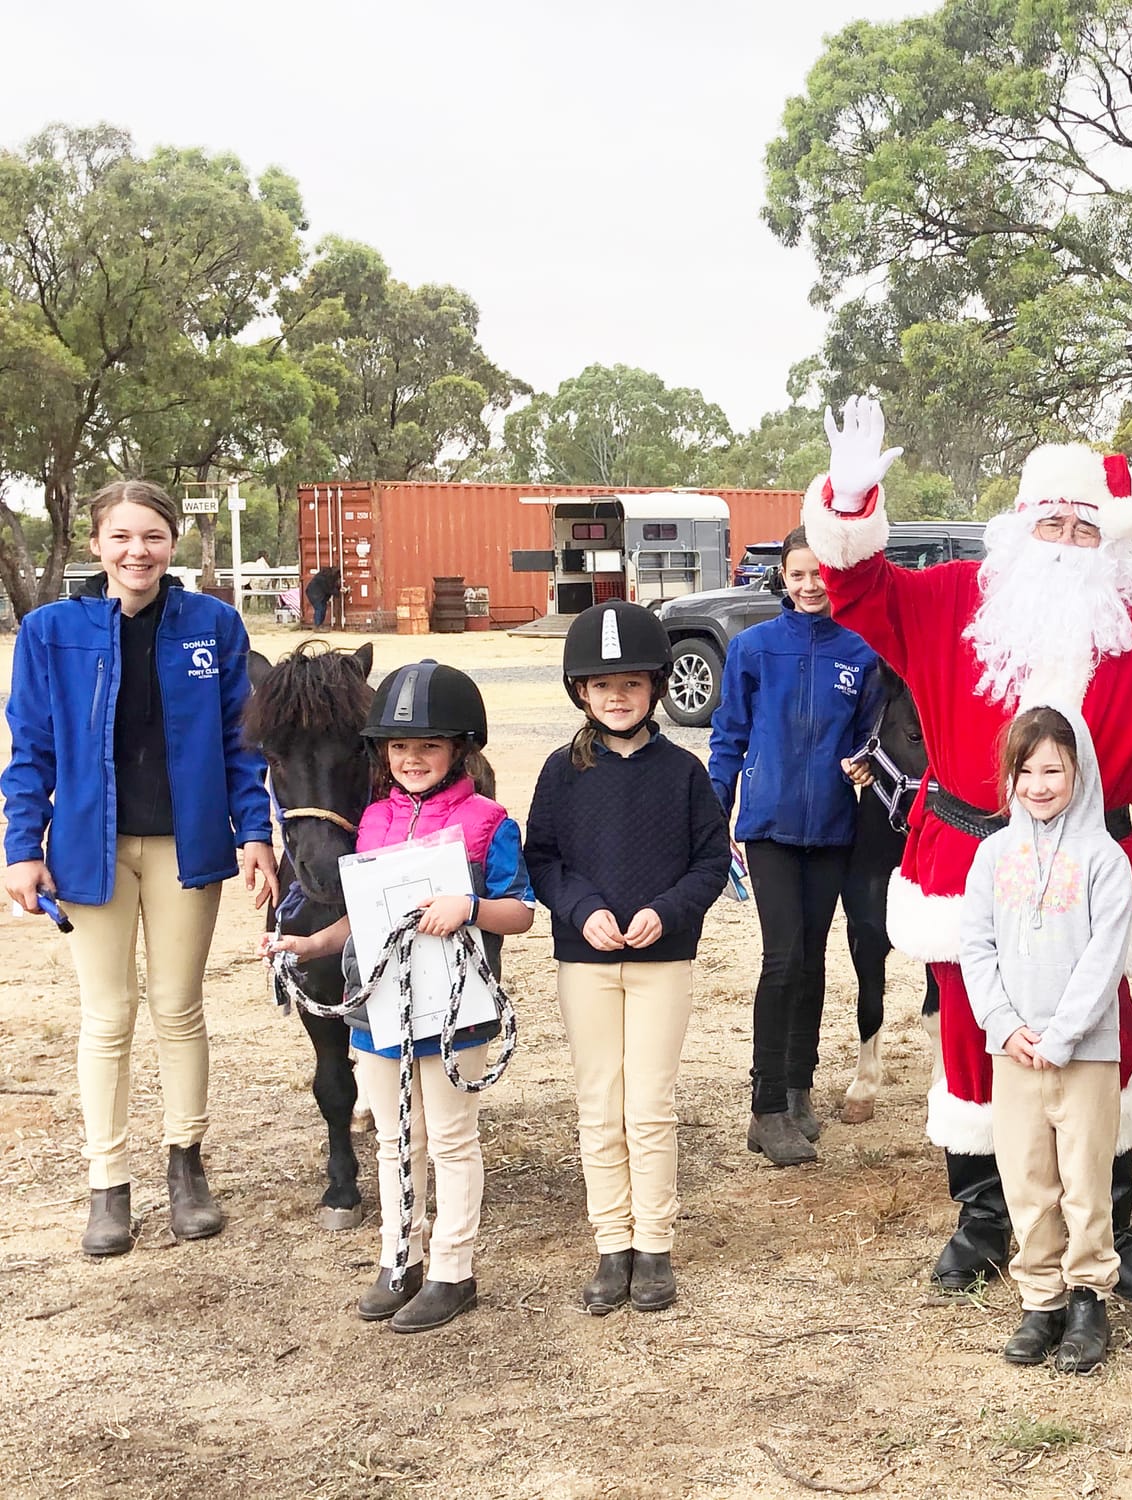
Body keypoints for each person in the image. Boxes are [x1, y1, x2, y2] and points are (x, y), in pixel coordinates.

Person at [800, 396, 1132, 1300]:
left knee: (1103, 1033)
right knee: (970, 1031)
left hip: (1094, 861)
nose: (1066, 541)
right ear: (1020, 525)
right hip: (969, 857)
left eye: (1085, 526)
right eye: (1051, 522)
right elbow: (859, 591)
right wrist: (850, 502)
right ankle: (986, 1213)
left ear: (1112, 540)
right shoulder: (954, 598)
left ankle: (1111, 1219)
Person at [2, 479, 277, 1257]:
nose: (137, 551)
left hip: (186, 848)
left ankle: (186, 1166)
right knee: (108, 1014)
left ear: (172, 543)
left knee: (179, 1008)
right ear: (96, 544)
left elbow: (242, 743)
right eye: (121, 536)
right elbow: (31, 749)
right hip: (90, 851)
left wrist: (256, 831)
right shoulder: (50, 631)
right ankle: (108, 1184)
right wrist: (22, 848)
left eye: (152, 536)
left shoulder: (213, 624)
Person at [264, 660, 533, 1332]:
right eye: (400, 746)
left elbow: (520, 912)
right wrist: (310, 944)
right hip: (380, 1003)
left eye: (429, 745)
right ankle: (398, 1256)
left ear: (459, 750)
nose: (413, 759)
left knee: (451, 1139)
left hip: (455, 1008)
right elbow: (361, 917)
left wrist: (469, 907)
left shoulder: (488, 822)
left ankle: (453, 1268)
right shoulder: (373, 822)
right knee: (393, 1139)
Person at [525, 601, 731, 1315]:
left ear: (656, 688)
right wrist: (582, 908)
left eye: (633, 684)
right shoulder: (560, 772)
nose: (618, 697)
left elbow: (711, 863)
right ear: (581, 692)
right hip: (585, 962)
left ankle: (655, 1244)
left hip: (661, 963)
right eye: (603, 685)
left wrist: (666, 911)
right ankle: (612, 1242)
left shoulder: (684, 772)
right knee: (599, 1104)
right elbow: (542, 859)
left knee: (648, 1105)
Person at [963, 706, 1132, 1373]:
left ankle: (1088, 1298)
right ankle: (1042, 1300)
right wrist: (1004, 1024)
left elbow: (1103, 958)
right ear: (1010, 777)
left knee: (1084, 1178)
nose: (1038, 785)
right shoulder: (992, 856)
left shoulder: (1104, 859)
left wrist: (1061, 1036)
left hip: (1082, 1053)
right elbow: (976, 946)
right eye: (1026, 771)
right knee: (1027, 1178)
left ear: (1077, 773)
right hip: (1013, 1052)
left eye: (1053, 771)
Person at [708, 527, 882, 1167]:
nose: (811, 586)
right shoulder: (752, 648)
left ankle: (799, 1089)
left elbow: (870, 737)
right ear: (782, 576)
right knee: (781, 958)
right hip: (770, 828)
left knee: (812, 960)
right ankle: (767, 1107)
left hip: (833, 828)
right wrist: (715, 810)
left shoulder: (860, 653)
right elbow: (728, 736)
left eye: (821, 575)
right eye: (798, 574)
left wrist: (866, 761)